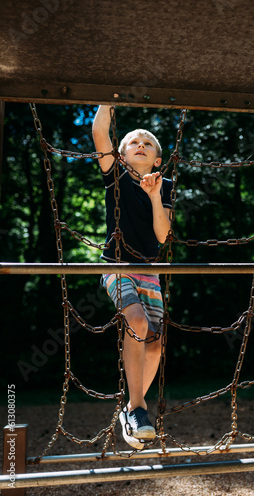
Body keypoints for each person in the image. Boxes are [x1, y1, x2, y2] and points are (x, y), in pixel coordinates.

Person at [92, 105, 173, 449]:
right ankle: (138, 408)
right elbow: (99, 134)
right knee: (137, 324)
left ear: (156, 160)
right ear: (121, 156)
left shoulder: (165, 185)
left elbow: (162, 235)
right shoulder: (116, 175)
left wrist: (155, 195)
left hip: (150, 274)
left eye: (147, 144)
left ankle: (130, 409)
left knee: (155, 343)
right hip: (117, 267)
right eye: (133, 142)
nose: (140, 144)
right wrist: (106, 101)